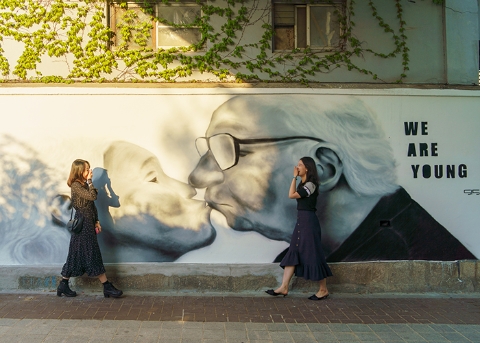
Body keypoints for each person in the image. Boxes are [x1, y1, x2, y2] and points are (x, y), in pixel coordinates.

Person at [188, 95, 476, 262]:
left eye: (226, 148)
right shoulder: (333, 250)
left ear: (323, 167)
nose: (197, 176)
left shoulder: (408, 258)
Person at [265, 157, 333, 300]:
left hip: (309, 222)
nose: (297, 167)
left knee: (313, 253)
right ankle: (284, 287)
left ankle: (323, 289)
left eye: (300, 165)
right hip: (302, 221)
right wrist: (295, 179)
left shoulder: (311, 184)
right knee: (294, 251)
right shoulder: (304, 184)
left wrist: (294, 177)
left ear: (307, 168)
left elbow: (291, 195)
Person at [57, 159, 123, 298]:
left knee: (75, 255)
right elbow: (92, 197)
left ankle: (63, 284)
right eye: (87, 169)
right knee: (92, 253)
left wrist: (96, 221)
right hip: (82, 225)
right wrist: (90, 181)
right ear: (80, 171)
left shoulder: (84, 185)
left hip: (88, 223)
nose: (90, 172)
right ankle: (107, 287)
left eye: (90, 169)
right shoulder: (76, 185)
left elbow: (93, 206)